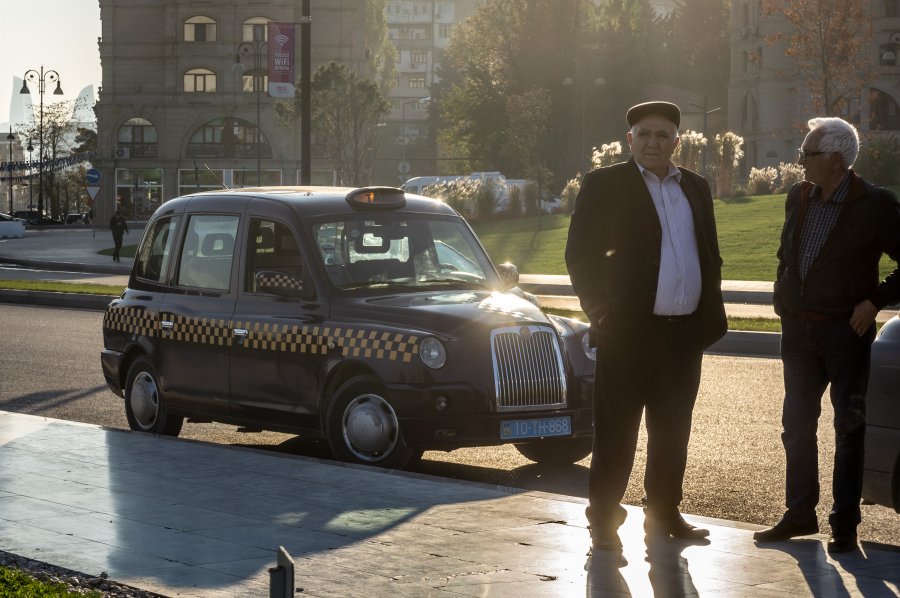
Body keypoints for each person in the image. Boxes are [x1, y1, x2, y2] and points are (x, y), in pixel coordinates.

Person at [565, 101, 727, 552]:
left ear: (677, 141)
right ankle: (602, 520)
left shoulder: (695, 186)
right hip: (626, 335)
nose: (653, 142)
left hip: (684, 335)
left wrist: (709, 316)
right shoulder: (604, 184)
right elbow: (580, 255)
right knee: (617, 431)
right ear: (629, 140)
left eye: (663, 135)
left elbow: (708, 252)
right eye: (645, 133)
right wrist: (601, 313)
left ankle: (664, 514)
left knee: (673, 431)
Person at [753, 117, 900, 553]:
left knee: (848, 428)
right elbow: (787, 252)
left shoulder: (875, 204)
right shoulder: (799, 196)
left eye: (808, 154)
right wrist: (783, 296)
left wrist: (873, 301)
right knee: (796, 427)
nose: (800, 161)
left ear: (835, 160)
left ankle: (845, 527)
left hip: (845, 334)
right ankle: (799, 514)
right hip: (798, 333)